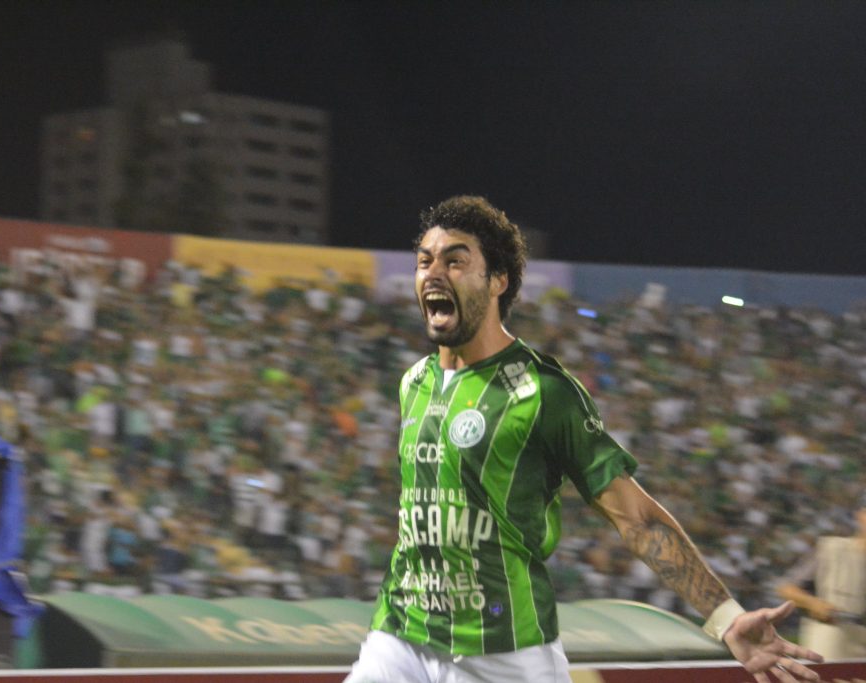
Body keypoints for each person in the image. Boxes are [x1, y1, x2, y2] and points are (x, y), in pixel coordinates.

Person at [345, 196, 823, 683]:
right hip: (401, 634)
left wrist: (727, 618)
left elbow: (636, 520)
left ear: (497, 280)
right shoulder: (414, 383)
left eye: (455, 261)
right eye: (425, 261)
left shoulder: (544, 391)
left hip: (502, 651)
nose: (433, 273)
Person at [776, 494, 866, 660]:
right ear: (860, 515)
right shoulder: (831, 549)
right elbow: (786, 588)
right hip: (833, 637)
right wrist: (813, 603)